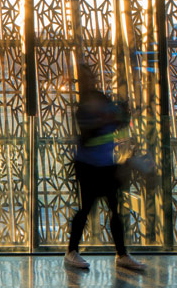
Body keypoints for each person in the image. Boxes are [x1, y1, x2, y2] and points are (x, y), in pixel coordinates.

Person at [63, 65, 146, 273]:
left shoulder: (101, 100)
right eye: (84, 78)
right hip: (88, 166)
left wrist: (121, 115)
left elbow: (120, 122)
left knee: (114, 209)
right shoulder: (83, 108)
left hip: (105, 164)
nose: (88, 81)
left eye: (89, 77)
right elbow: (89, 134)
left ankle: (122, 254)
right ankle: (71, 251)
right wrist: (107, 118)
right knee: (86, 208)